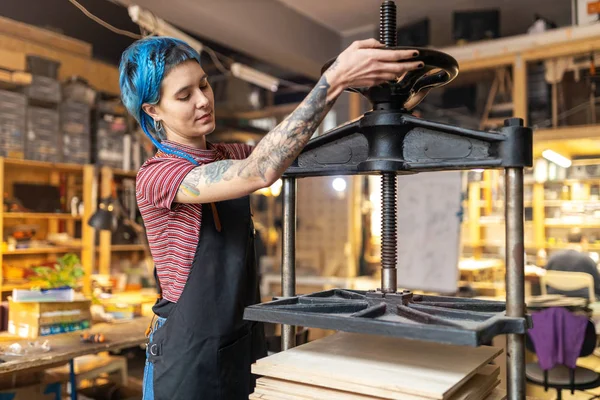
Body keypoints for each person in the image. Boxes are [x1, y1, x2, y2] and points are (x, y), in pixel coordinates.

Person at [119, 36, 425, 400]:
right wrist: (336, 80)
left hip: (237, 346)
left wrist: (387, 111)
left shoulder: (225, 152)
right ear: (153, 111)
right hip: (185, 358)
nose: (203, 100)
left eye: (203, 84)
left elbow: (291, 151)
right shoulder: (157, 175)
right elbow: (258, 170)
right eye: (184, 96)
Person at [545, 228, 600, 300]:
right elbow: (597, 285)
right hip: (582, 302)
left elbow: (546, 282)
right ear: (583, 240)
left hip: (555, 300)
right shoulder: (587, 260)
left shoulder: (552, 258)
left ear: (567, 240)